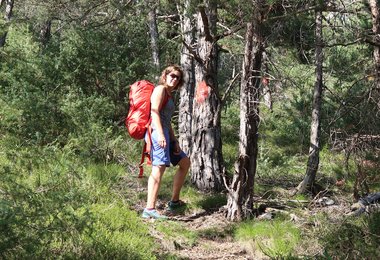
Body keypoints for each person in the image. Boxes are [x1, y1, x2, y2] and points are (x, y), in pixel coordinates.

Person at [142, 65, 190, 220]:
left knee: (184, 162)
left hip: (165, 135)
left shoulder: (169, 94)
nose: (174, 79)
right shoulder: (160, 90)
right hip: (157, 134)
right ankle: (149, 208)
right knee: (159, 168)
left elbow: (167, 120)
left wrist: (174, 140)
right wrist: (161, 135)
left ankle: (174, 202)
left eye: (177, 77)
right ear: (165, 75)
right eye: (172, 75)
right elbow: (154, 112)